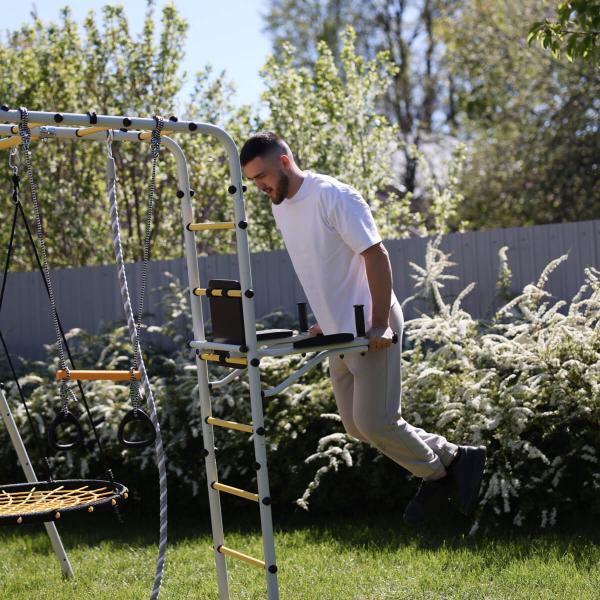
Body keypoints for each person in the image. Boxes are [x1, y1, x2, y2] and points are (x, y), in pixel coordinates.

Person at [239, 131, 486, 525]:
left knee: (377, 422)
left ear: (284, 162)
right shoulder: (282, 206)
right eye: (252, 181)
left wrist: (380, 324)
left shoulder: (333, 196)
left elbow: (376, 255)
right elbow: (324, 267)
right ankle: (456, 458)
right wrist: (325, 318)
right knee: (356, 426)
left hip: (369, 329)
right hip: (337, 332)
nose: (259, 186)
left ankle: (438, 478)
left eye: (262, 176)